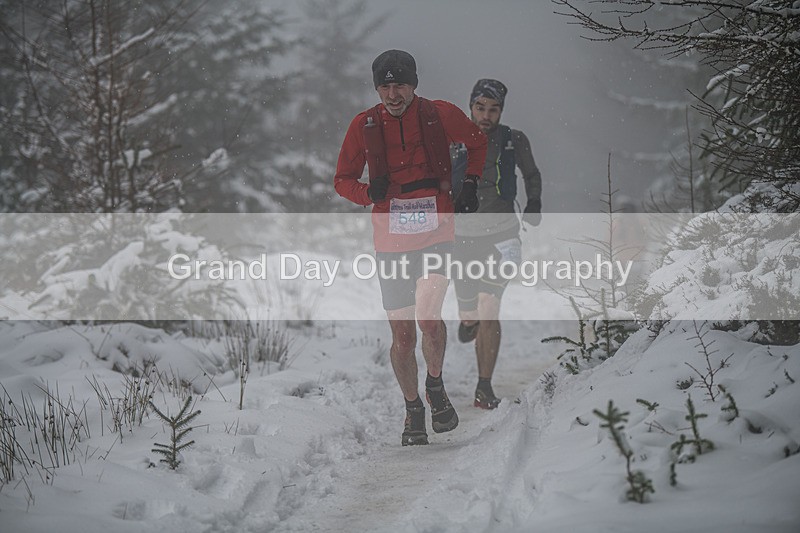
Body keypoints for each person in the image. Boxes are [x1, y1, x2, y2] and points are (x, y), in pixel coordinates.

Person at [334, 50, 488, 446]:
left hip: (438, 230)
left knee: (429, 319)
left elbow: (477, 143)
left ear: (413, 84)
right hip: (390, 238)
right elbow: (342, 180)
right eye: (384, 85)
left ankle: (435, 384)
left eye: (399, 84)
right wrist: (369, 192)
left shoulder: (439, 114)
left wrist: (469, 182)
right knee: (402, 337)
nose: (392, 93)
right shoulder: (363, 125)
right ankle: (413, 408)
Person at [450, 78, 542, 410]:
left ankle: (483, 387)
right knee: (471, 307)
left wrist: (534, 203)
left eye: (493, 109)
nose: (486, 116)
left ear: (501, 110)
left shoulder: (513, 140)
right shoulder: (453, 139)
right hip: (460, 236)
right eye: (480, 108)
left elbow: (532, 174)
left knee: (490, 304)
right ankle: (467, 319)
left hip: (503, 234)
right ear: (470, 106)